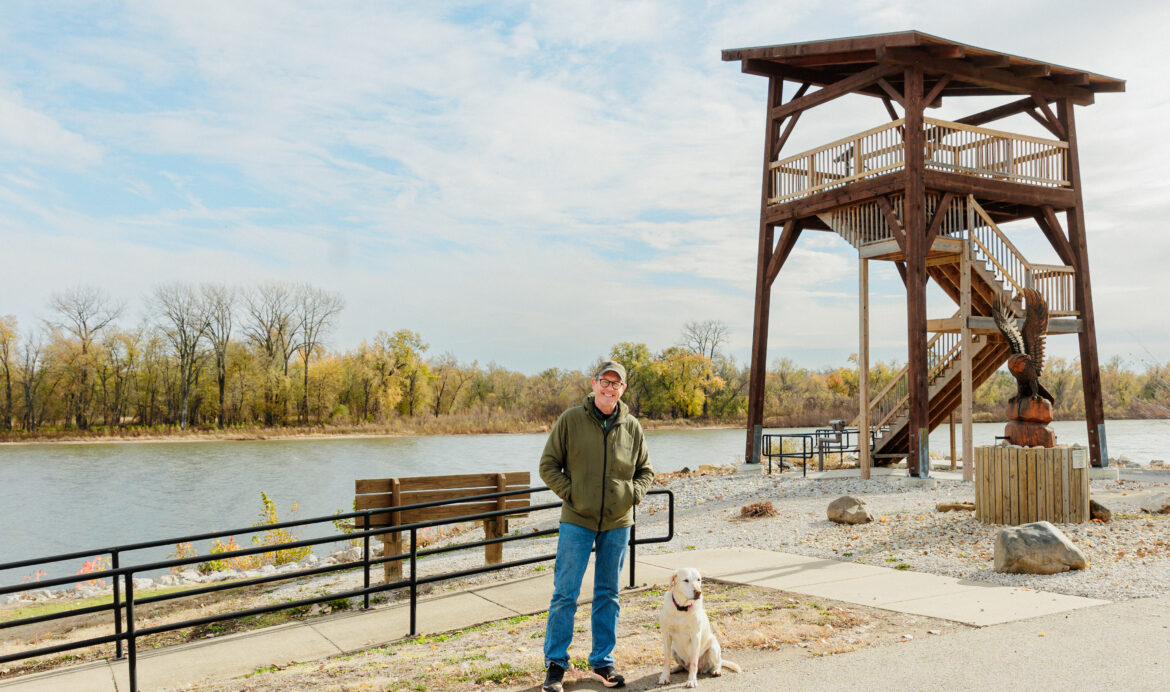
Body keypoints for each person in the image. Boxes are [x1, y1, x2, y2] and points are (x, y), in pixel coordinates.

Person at [539, 360, 655, 691]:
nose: (609, 388)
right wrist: (571, 493)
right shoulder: (571, 420)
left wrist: (632, 495)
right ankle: (556, 666)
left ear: (623, 390)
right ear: (594, 384)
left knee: (608, 593)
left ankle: (603, 663)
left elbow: (646, 471)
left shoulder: (632, 427)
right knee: (565, 593)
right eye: (605, 381)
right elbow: (548, 465)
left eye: (616, 384)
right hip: (577, 520)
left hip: (618, 523)